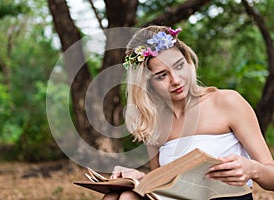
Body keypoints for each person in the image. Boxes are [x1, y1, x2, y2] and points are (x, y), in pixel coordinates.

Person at [102, 25, 274, 200]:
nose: (175, 80)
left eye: (179, 66)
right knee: (121, 196)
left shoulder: (227, 102)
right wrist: (140, 178)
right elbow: (162, 187)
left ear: (188, 62)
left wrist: (253, 169)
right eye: (162, 75)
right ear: (146, 83)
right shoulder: (154, 121)